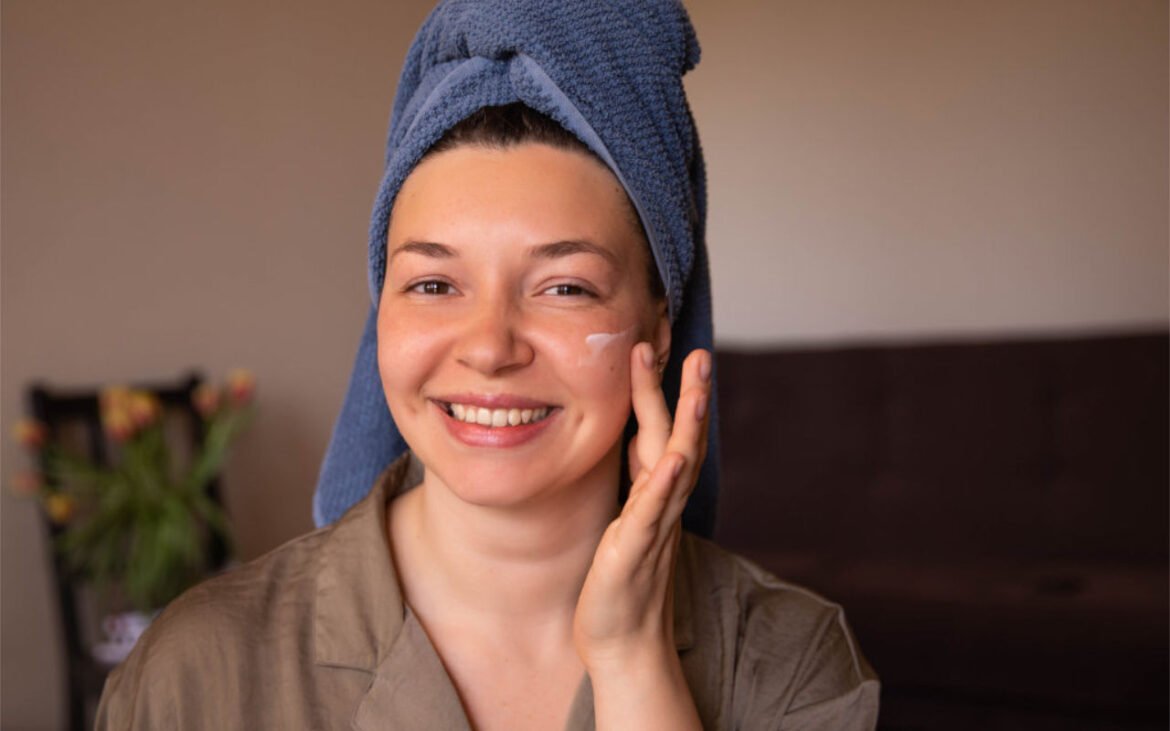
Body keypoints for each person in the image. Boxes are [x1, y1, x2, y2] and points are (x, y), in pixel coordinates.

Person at [97, 2, 879, 729]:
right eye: (434, 284)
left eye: (564, 287)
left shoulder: (789, 664)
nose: (490, 347)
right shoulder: (197, 673)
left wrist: (631, 656)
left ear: (659, 328)